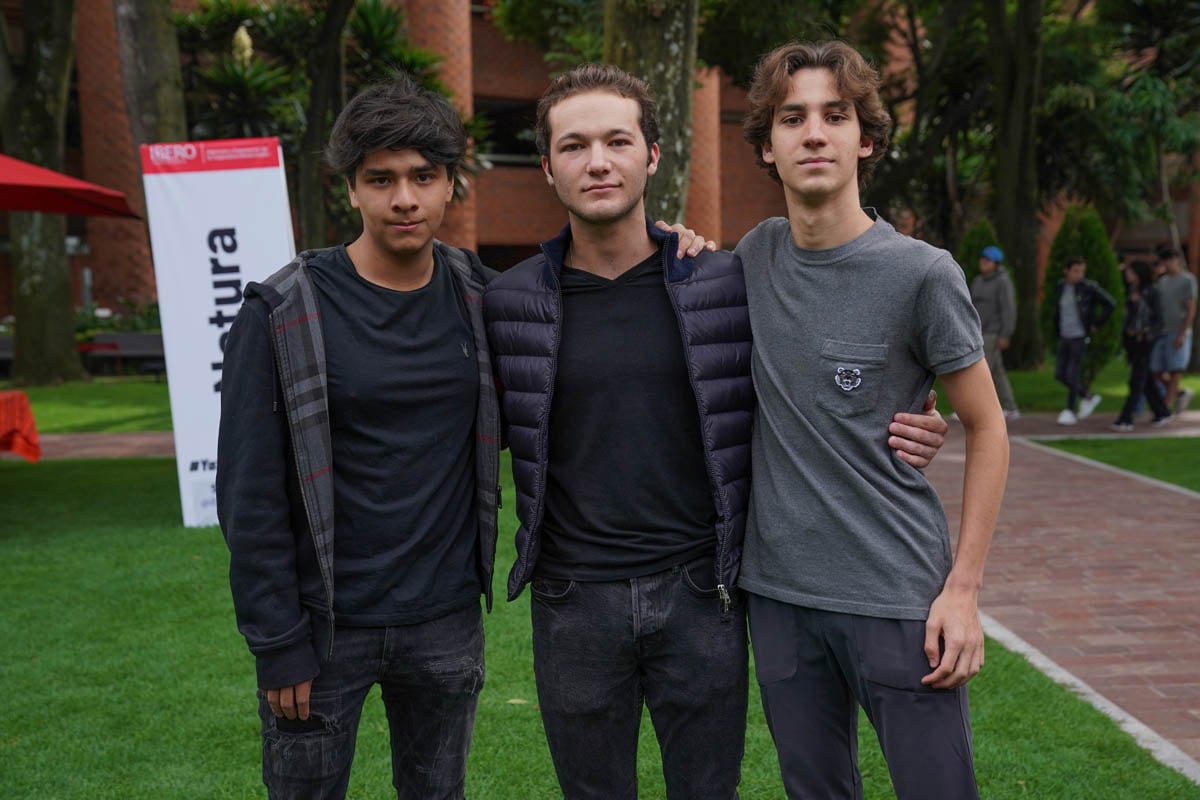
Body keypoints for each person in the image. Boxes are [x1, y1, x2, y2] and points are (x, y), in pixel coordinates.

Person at [483, 63, 948, 800]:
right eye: (573, 146)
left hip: (703, 595)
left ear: (653, 155)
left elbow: (812, 374)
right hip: (573, 603)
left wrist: (915, 416)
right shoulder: (506, 303)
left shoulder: (724, 282)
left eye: (617, 140)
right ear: (546, 166)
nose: (598, 161)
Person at [736, 40, 1009, 799]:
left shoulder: (922, 273)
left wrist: (964, 590)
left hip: (898, 596)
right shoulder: (752, 258)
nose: (814, 133)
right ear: (767, 145)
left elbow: (987, 427)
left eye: (835, 115)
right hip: (781, 597)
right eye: (792, 118)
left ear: (868, 139)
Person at [215, 78, 501, 800]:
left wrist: (675, 243)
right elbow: (249, 492)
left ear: (449, 186)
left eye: (422, 177)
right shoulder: (282, 309)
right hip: (322, 628)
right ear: (352, 189)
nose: (403, 198)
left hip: (446, 620)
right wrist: (277, 643)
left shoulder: (482, 297)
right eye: (381, 179)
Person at [1048, 256, 1115, 426]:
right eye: (1075, 271)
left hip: (1079, 336)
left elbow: (1110, 303)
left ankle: (1069, 410)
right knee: (1060, 374)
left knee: (1072, 373)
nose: (1079, 275)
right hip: (1065, 336)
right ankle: (1087, 396)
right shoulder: (1061, 287)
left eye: (1082, 271)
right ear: (1067, 271)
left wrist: (1096, 324)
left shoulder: (1088, 288)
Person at [1112, 259, 1173, 431]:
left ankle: (1126, 418)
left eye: (1131, 272)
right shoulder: (1131, 291)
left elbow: (1160, 320)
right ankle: (1162, 412)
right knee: (1145, 380)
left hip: (1145, 340)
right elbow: (1128, 317)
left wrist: (1149, 335)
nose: (1127, 274)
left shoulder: (1152, 292)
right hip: (1131, 341)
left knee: (1137, 380)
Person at [970, 244, 1019, 420]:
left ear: (996, 263)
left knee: (980, 373)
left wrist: (1006, 333)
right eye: (983, 258)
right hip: (977, 332)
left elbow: (1008, 309)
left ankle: (973, 411)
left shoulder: (1002, 282)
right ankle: (1010, 406)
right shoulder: (977, 281)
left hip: (992, 333)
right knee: (997, 372)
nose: (983, 262)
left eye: (988, 260)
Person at [1150, 246, 1197, 415]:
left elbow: (1191, 308)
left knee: (1175, 369)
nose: (1167, 264)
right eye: (1164, 261)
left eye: (1170, 260)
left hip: (1179, 330)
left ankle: (1165, 407)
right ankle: (1181, 393)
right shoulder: (1162, 281)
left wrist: (1183, 333)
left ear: (1177, 259)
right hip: (1162, 331)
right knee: (1155, 369)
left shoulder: (1188, 280)